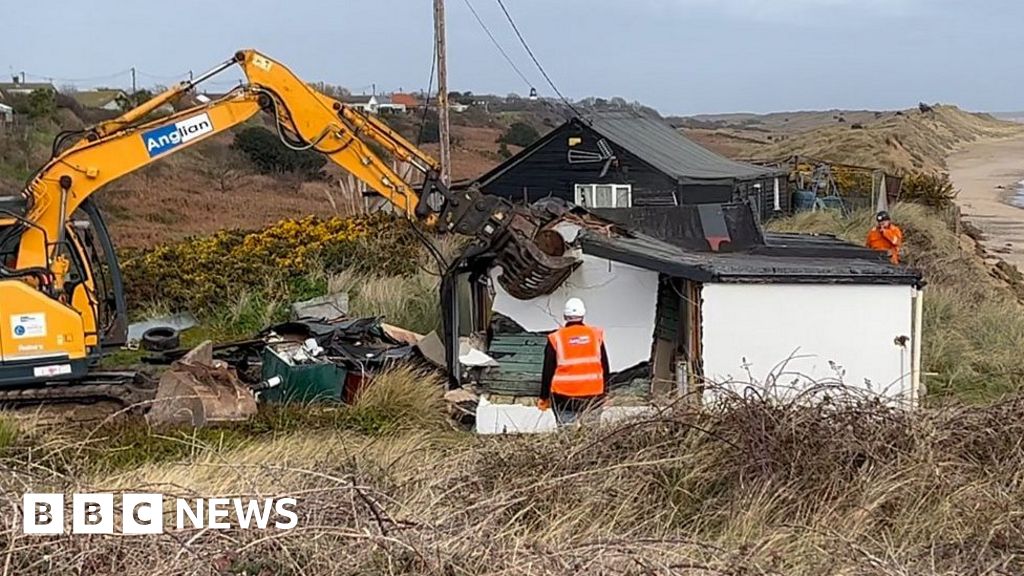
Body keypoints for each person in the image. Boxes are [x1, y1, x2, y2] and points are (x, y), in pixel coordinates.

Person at [537, 297, 610, 427]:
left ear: (565, 316)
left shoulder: (556, 338)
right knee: (592, 437)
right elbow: (604, 366)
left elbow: (548, 370)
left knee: (567, 436)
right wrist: (606, 392)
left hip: (564, 397)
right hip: (593, 396)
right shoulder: (595, 335)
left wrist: (544, 397)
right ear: (583, 315)